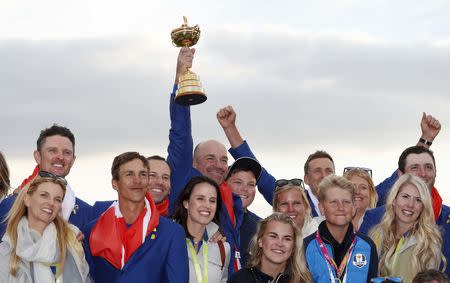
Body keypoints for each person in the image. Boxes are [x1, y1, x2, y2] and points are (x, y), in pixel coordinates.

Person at [167, 47, 275, 273]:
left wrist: (231, 130)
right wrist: (181, 80)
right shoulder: (183, 184)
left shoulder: (233, 202)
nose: (218, 165)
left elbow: (258, 177)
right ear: (194, 164)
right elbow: (180, 136)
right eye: (210, 158)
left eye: (224, 160)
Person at [82, 152, 188, 282]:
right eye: (129, 174)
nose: (137, 180)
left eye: (143, 174)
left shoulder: (172, 232)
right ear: (115, 183)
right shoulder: (91, 231)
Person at [0, 124, 96, 236]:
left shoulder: (86, 212)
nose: (60, 157)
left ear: (73, 160)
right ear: (38, 157)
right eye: (52, 151)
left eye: (67, 152)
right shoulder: (11, 206)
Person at [0, 177, 90, 282]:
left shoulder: (72, 240)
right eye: (44, 195)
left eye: (57, 199)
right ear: (27, 199)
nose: (51, 203)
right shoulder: (6, 249)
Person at [369, 174, 445, 283]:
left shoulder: (429, 242)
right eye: (405, 196)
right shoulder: (376, 234)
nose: (410, 204)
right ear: (394, 200)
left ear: (423, 206)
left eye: (418, 200)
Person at [304, 175, 378, 283]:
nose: (341, 208)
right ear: (322, 208)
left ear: (353, 208)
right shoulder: (305, 247)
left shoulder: (368, 246)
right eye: (333, 202)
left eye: (346, 202)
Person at [173, 176, 231, 283]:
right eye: (200, 198)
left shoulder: (223, 248)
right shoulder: (168, 240)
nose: (207, 205)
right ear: (186, 203)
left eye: (212, 200)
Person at [228, 212, 312, 283]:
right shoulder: (239, 279)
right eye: (273, 236)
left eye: (287, 238)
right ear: (260, 241)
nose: (280, 243)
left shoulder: (303, 280)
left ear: (293, 246)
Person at [224, 156, 262, 266]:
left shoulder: (261, 226)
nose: (245, 189)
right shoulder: (212, 219)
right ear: (225, 184)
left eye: (251, 184)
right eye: (238, 182)